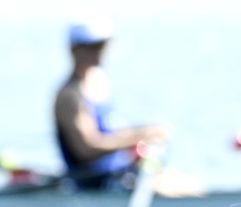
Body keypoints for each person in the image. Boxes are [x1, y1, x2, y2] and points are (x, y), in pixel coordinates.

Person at [53, 15, 168, 191]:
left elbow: (113, 132)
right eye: (92, 47)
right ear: (74, 49)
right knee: (170, 186)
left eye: (102, 45)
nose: (98, 52)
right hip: (96, 183)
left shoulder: (97, 83)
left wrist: (144, 137)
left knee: (180, 182)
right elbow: (87, 149)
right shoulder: (70, 96)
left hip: (119, 173)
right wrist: (141, 135)